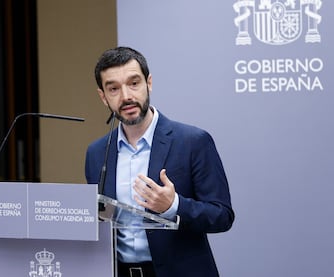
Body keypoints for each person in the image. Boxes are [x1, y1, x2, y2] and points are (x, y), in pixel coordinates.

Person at [85, 46, 234, 277]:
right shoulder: (96, 153)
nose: (126, 96)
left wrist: (173, 205)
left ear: (149, 83)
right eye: (113, 88)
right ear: (103, 97)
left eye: (134, 83)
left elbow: (221, 215)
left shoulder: (193, 142)